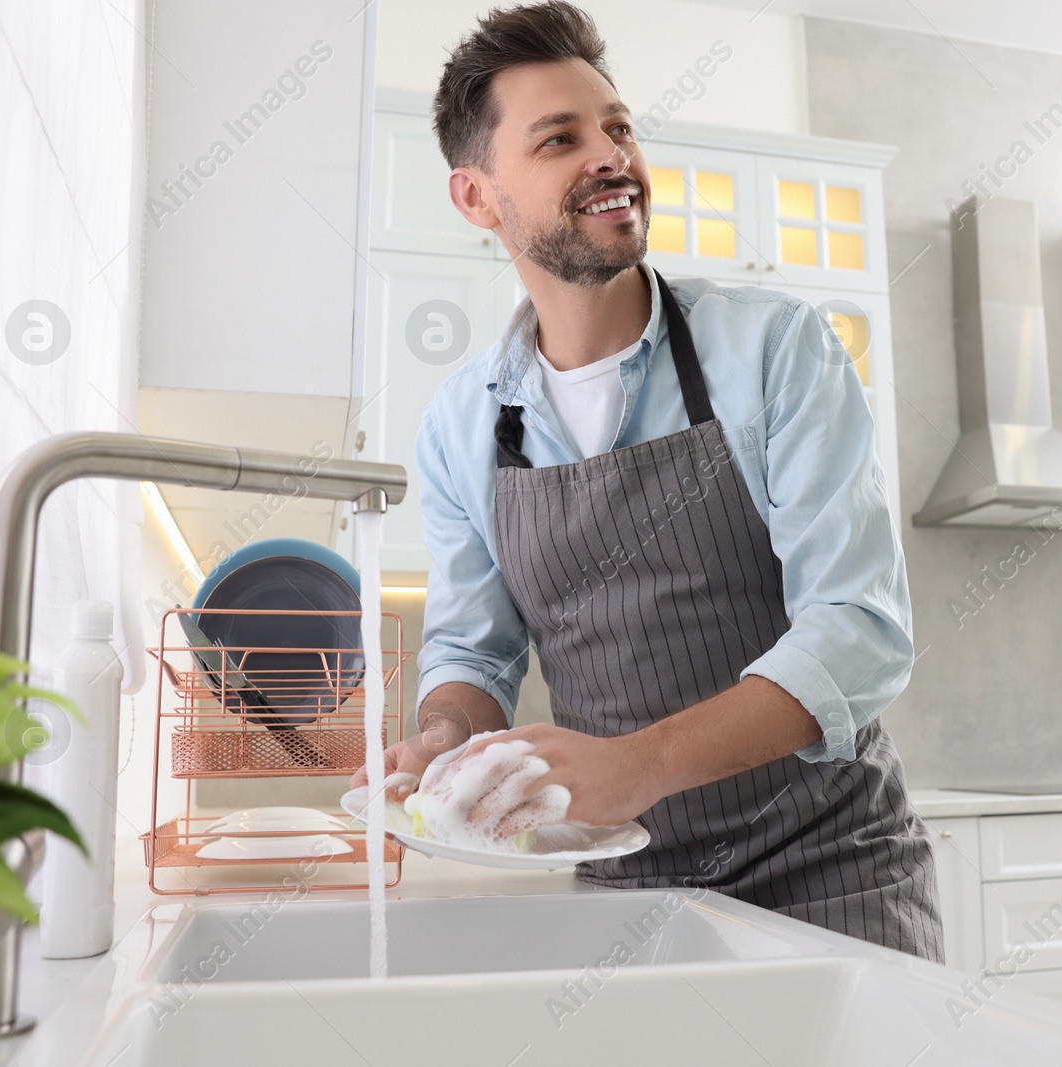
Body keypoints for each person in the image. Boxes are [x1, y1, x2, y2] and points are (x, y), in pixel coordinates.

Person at [352, 0, 942, 959]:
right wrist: (443, 737)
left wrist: (641, 763)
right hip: (621, 893)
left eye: (618, 128)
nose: (610, 155)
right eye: (560, 139)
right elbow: (473, 647)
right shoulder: (463, 423)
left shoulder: (773, 349)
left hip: (834, 870)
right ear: (477, 197)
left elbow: (859, 630)